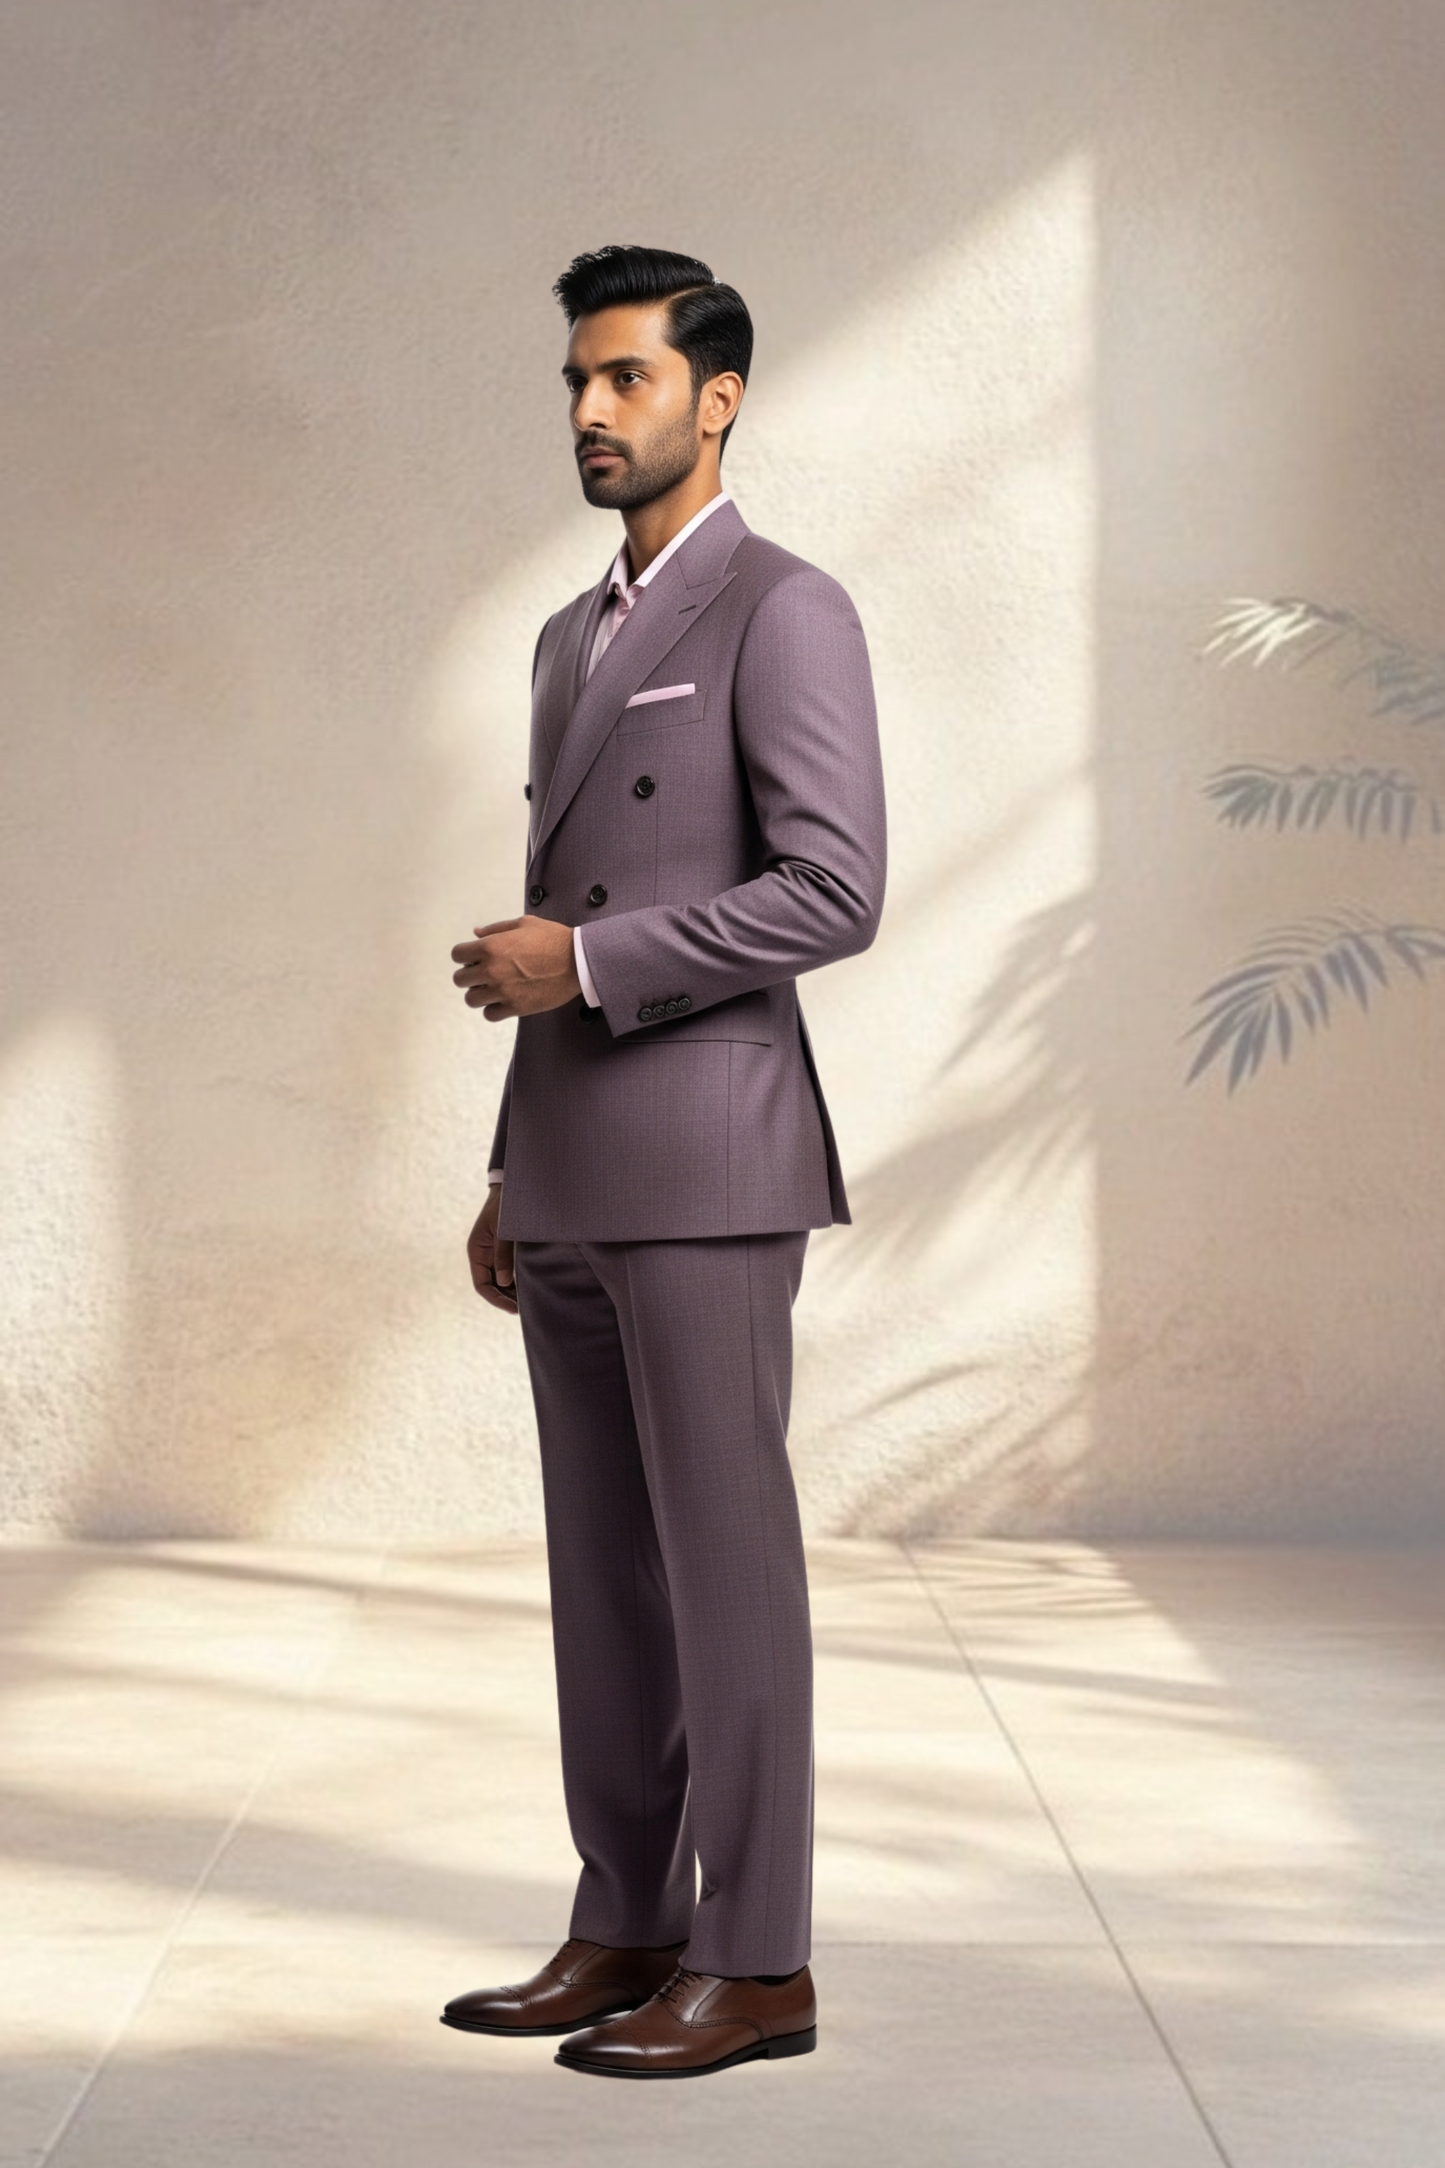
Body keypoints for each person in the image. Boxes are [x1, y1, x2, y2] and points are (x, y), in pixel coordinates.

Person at [442, 244, 886, 2079]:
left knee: (724, 1568)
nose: (590, 410)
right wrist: (505, 1166)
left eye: (625, 377)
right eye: (576, 379)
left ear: (718, 399)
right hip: (568, 1165)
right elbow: (562, 892)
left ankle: (758, 1959)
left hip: (707, 1158)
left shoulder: (786, 608)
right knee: (605, 1580)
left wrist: (593, 965)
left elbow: (834, 889)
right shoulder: (570, 636)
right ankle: (627, 1916)